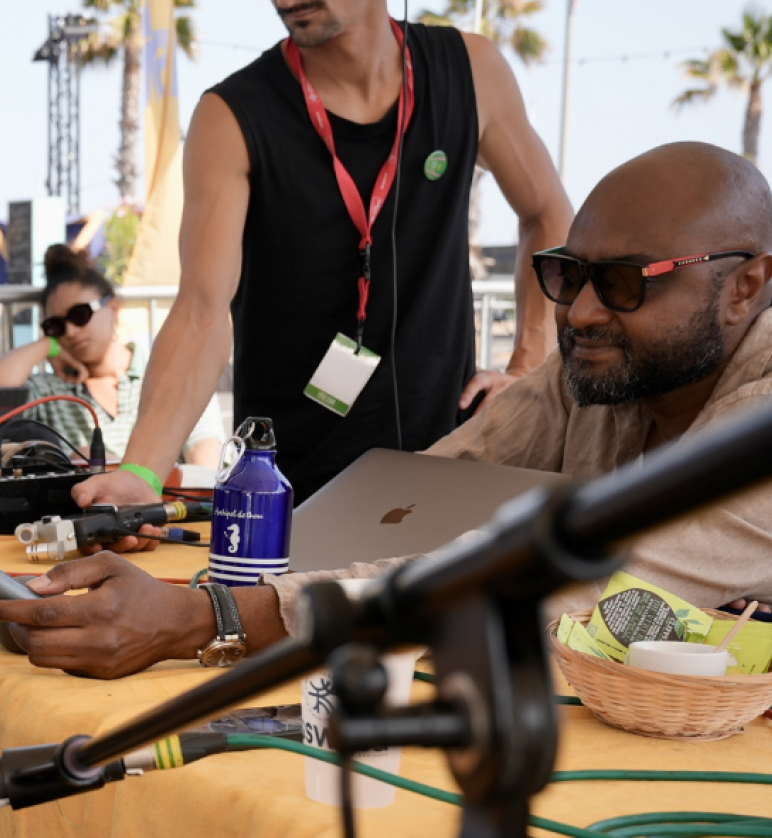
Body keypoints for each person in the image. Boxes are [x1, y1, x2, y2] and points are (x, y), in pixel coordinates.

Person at [0, 142, 772, 679]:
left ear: (745, 284)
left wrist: (209, 616)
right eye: (569, 275)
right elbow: (419, 491)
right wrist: (223, 579)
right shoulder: (604, 363)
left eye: (628, 282)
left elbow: (566, 589)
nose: (582, 314)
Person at [74, 0, 575, 519]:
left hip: (449, 464)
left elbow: (547, 212)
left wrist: (526, 368)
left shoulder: (472, 69)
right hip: (292, 488)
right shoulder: (231, 114)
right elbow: (201, 310)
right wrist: (141, 471)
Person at [0, 244, 224, 464]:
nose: (71, 331)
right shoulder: (50, 390)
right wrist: (48, 346)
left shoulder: (167, 373)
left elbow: (206, 450)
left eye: (80, 314)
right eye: (56, 326)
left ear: (113, 309)